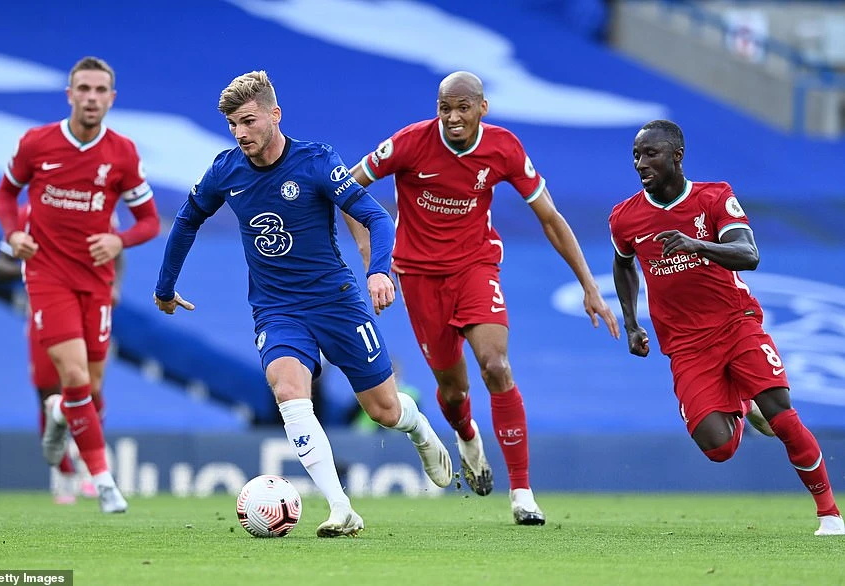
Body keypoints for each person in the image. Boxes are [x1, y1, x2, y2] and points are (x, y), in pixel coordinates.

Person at [153, 70, 453, 537]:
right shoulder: (225, 171)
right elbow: (188, 219)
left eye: (248, 121)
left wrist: (378, 270)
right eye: (232, 124)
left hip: (335, 302)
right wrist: (165, 285)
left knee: (384, 411)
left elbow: (376, 216)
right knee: (289, 391)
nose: (240, 133)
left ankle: (418, 429)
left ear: (275, 114)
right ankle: (340, 507)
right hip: (277, 309)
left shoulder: (316, 161)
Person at [343, 71, 619, 525]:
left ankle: (522, 493)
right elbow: (348, 189)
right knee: (454, 392)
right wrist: (371, 254)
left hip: (475, 267)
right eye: (444, 108)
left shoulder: (503, 148)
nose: (453, 117)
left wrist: (589, 285)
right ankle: (467, 435)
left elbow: (550, 217)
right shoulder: (410, 143)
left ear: (482, 108)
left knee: (496, 365)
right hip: (419, 277)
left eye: (463, 107)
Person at [610, 119, 843, 537]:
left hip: (736, 324)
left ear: (677, 156)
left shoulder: (714, 197)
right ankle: (743, 405)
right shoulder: (625, 217)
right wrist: (631, 323)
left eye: (650, 154)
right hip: (685, 345)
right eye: (636, 155)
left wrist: (699, 245)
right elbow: (623, 263)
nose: (640, 163)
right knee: (717, 447)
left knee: (782, 415)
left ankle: (829, 515)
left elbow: (748, 253)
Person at [0, 56, 161, 514]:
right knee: (73, 377)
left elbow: (149, 221)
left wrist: (119, 239)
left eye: (100, 90)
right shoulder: (36, 143)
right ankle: (103, 481)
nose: (91, 98)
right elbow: (6, 193)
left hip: (96, 282)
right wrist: (13, 235)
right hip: (47, 275)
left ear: (112, 98)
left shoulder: (122, 153)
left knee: (91, 385)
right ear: (69, 95)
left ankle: (57, 413)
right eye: (83, 89)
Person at [0, 205, 125, 504]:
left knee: (91, 388)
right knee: (47, 392)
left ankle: (91, 470)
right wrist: (36, 265)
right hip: (46, 312)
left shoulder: (97, 205)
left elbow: (117, 251)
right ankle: (64, 475)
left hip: (90, 305)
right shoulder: (28, 214)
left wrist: (114, 286)